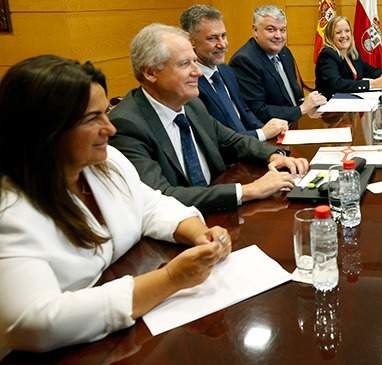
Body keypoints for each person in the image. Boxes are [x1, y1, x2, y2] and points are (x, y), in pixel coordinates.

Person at [0, 56, 231, 354]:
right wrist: (170, 279)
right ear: (46, 131)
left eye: (105, 112)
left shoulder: (105, 162)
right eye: (92, 118)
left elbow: (150, 205)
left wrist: (199, 233)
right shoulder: (10, 211)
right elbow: (34, 323)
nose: (110, 128)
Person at [109, 24, 307, 214]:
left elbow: (233, 141)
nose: (197, 72)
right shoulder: (127, 125)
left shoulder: (192, 104)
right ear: (150, 72)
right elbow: (160, 196)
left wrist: (274, 156)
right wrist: (248, 191)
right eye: (185, 64)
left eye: (195, 61)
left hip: (219, 214)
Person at [180, 4, 289, 141]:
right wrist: (261, 134)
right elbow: (215, 138)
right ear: (192, 42)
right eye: (212, 38)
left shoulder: (225, 71)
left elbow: (245, 112)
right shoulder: (190, 84)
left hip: (250, 147)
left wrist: (270, 132)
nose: (222, 44)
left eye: (223, 36)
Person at [230, 5, 327, 122]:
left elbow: (293, 96)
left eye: (282, 30)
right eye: (271, 29)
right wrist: (301, 109)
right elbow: (258, 110)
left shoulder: (284, 52)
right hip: (269, 133)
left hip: (292, 124)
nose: (278, 36)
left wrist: (309, 107)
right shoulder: (244, 61)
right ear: (255, 31)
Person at [314, 15, 382, 98]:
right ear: (330, 36)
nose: (344, 35)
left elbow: (367, 69)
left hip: (350, 104)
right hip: (330, 107)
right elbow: (336, 84)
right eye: (338, 32)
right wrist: (372, 84)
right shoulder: (327, 55)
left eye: (347, 31)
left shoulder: (351, 53)